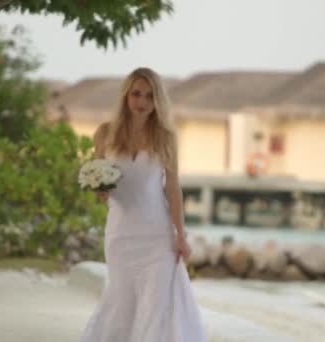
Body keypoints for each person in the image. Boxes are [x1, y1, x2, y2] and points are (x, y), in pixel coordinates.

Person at [79, 67, 208, 342]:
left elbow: (172, 188)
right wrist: (100, 192)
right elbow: (99, 179)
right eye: (136, 94)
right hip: (120, 235)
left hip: (157, 237)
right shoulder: (104, 134)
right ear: (126, 96)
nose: (142, 102)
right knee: (120, 305)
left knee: (154, 309)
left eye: (150, 96)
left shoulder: (166, 137)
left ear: (158, 100)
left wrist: (181, 236)